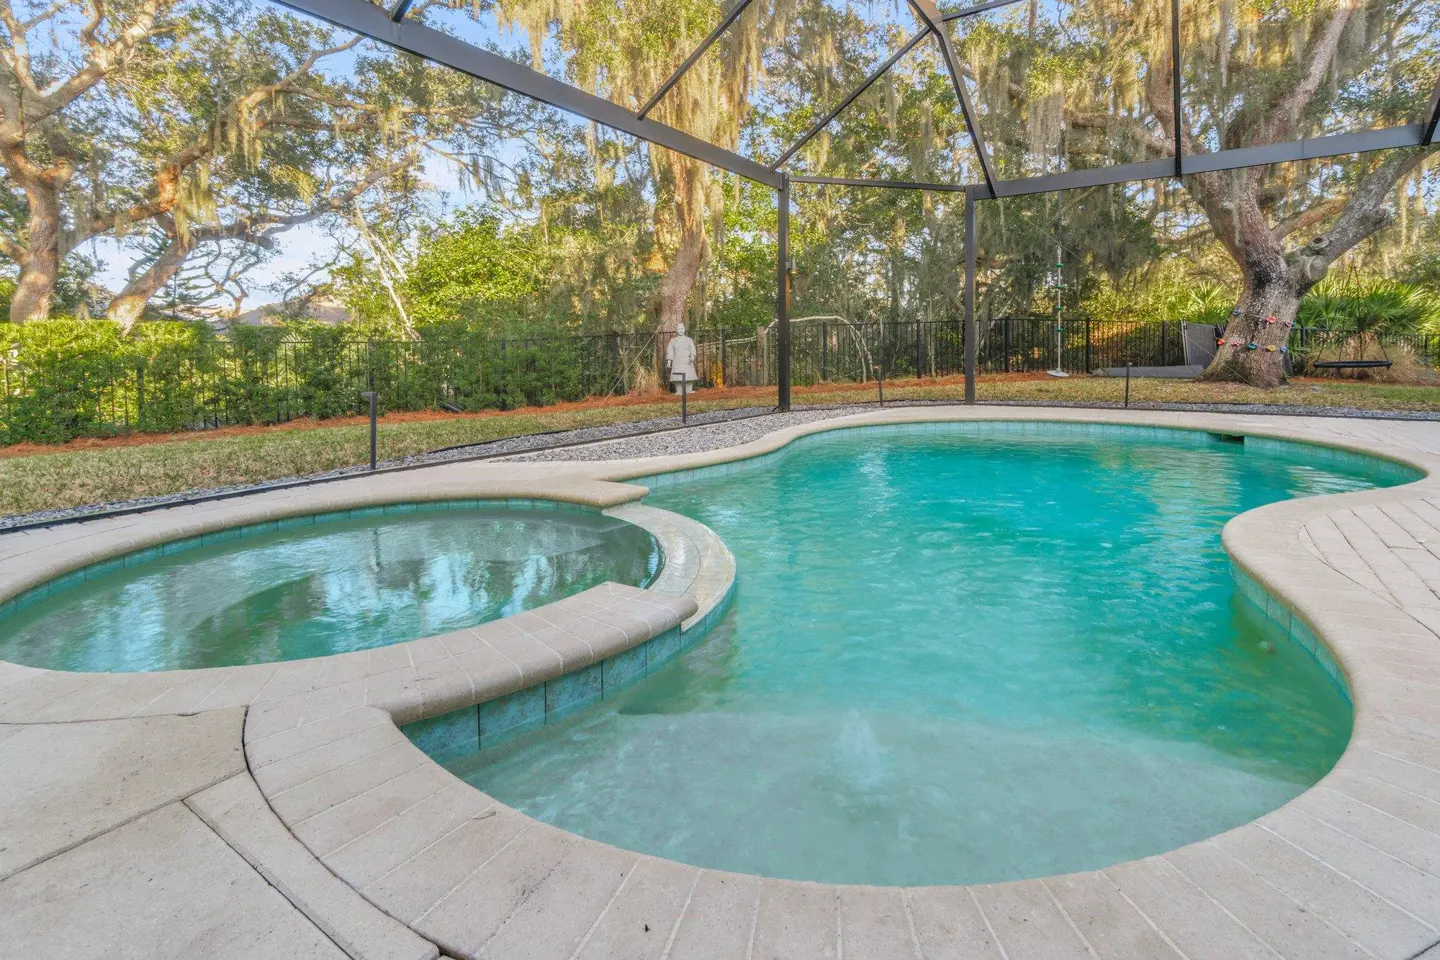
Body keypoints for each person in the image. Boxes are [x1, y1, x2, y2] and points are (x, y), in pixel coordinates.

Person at [665, 324, 698, 391]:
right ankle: (679, 390)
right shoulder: (673, 341)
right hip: (677, 361)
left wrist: (692, 356)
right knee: (678, 377)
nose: (681, 330)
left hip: (687, 361)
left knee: (688, 375)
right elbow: (670, 351)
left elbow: (692, 349)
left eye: (682, 329)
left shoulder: (689, 340)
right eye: (679, 329)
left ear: (684, 330)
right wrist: (669, 361)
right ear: (677, 330)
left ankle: (689, 390)